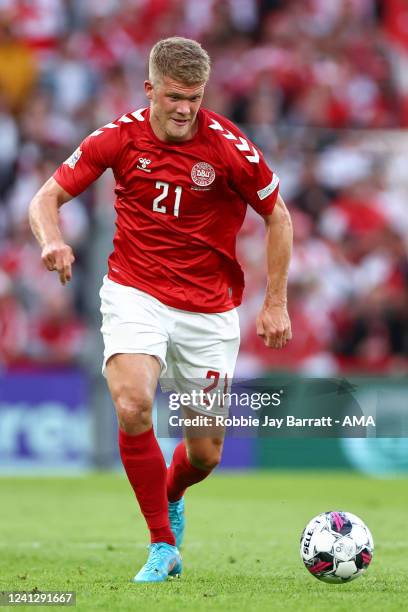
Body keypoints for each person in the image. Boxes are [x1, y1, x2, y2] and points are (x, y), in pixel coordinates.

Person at [29, 37, 293, 583]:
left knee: (205, 454)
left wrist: (275, 302)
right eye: (174, 96)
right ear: (150, 88)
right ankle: (161, 543)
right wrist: (51, 240)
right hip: (135, 293)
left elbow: (279, 217)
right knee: (132, 405)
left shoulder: (229, 147)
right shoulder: (118, 138)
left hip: (208, 311)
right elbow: (44, 199)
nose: (184, 109)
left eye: (194, 97)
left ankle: (173, 494)